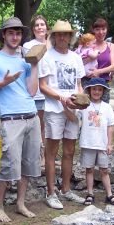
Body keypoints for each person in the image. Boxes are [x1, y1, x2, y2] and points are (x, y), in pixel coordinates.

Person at [0, 17, 41, 222]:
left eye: (18, 33)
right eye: (11, 33)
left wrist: (35, 65)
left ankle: (20, 204)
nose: (15, 37)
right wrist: (2, 83)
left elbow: (32, 91)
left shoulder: (25, 60)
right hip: (11, 119)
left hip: (31, 116)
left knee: (28, 164)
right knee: (8, 166)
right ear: (3, 35)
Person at [39, 20, 86, 209]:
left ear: (70, 37)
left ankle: (66, 189)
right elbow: (43, 86)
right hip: (54, 109)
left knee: (69, 151)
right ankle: (51, 192)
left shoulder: (76, 58)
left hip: (72, 109)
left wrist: (81, 100)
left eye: (65, 34)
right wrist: (61, 98)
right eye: (58, 34)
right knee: (51, 152)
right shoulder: (46, 56)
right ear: (53, 36)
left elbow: (79, 85)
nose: (62, 37)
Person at [66, 78, 114, 206]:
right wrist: (65, 106)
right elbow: (74, 118)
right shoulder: (83, 106)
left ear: (103, 91)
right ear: (89, 90)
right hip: (88, 142)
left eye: (99, 89)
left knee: (104, 170)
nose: (96, 92)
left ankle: (109, 194)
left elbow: (110, 127)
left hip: (102, 144)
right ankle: (90, 193)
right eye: (94, 89)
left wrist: (110, 143)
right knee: (89, 169)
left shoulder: (107, 107)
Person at [22, 14, 50, 167]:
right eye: (37, 25)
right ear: (33, 29)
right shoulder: (28, 45)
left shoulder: (53, 44)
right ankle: (38, 156)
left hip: (51, 91)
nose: (40, 27)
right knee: (38, 126)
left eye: (42, 24)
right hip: (36, 92)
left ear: (47, 27)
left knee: (48, 127)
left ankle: (47, 156)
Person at [88, 18, 114, 102]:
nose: (101, 32)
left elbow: (113, 67)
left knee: (104, 108)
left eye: (103, 29)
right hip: (88, 84)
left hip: (103, 85)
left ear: (106, 30)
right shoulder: (88, 44)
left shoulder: (111, 46)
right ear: (93, 30)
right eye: (97, 29)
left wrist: (98, 72)